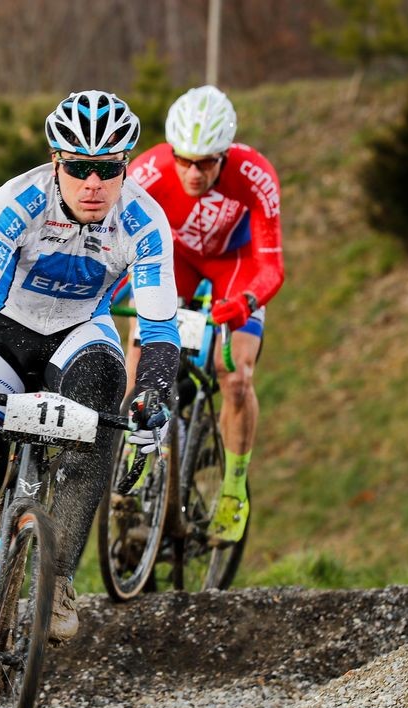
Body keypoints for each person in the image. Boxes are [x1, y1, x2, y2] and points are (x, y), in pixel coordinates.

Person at [0, 91, 183, 708]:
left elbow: (162, 333)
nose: (92, 182)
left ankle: (58, 580)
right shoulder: (17, 202)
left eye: (108, 169)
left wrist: (154, 396)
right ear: (55, 162)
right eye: (78, 166)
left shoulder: (143, 220)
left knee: (106, 401)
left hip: (80, 334)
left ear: (125, 168)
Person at [124, 85, 285, 546]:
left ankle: (234, 489)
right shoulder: (148, 171)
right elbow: (119, 243)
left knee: (234, 375)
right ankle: (135, 454)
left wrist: (245, 303)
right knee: (141, 346)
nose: (193, 172)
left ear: (225, 156)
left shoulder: (256, 175)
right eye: (184, 159)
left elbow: (272, 266)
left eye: (206, 162)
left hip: (236, 267)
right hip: (176, 261)